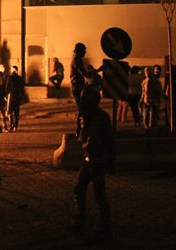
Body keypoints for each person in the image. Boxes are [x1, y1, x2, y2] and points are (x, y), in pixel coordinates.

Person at [67, 89, 115, 241]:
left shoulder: (102, 117)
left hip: (98, 159)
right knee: (79, 190)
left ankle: (105, 228)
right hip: (88, 158)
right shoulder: (83, 115)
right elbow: (79, 136)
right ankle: (80, 221)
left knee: (99, 194)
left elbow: (108, 139)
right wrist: (82, 125)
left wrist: (110, 159)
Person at [6, 65, 24, 131]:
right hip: (17, 96)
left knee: (10, 111)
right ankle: (15, 126)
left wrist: (6, 96)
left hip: (11, 96)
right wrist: (21, 97)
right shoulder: (20, 78)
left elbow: (7, 87)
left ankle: (12, 124)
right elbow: (22, 89)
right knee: (16, 112)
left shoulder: (10, 78)